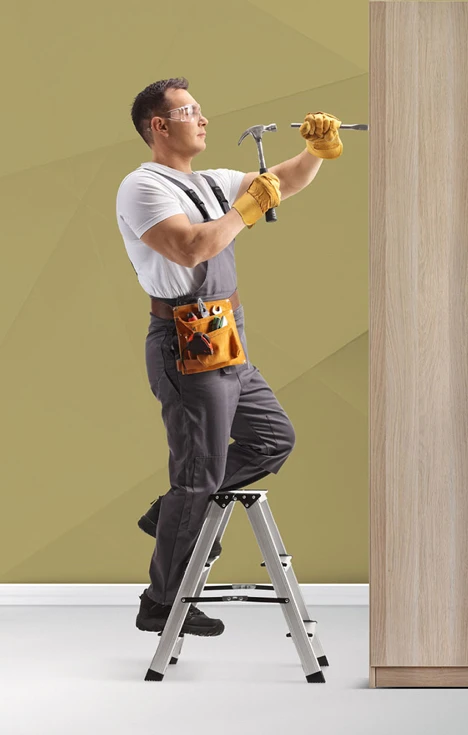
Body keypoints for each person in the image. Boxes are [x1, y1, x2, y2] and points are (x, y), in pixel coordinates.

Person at [115, 77, 343, 637]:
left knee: (271, 439)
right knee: (199, 478)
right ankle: (162, 602)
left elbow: (279, 181)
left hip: (226, 332)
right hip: (185, 337)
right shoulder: (142, 188)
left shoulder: (212, 182)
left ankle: (170, 512)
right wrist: (247, 208)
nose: (203, 118)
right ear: (159, 127)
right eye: (189, 111)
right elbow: (190, 248)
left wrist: (313, 153)